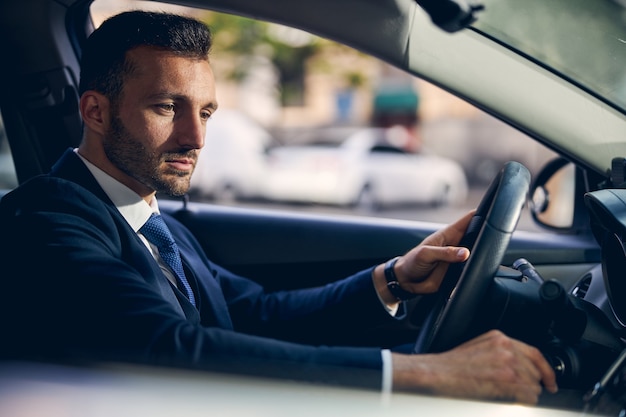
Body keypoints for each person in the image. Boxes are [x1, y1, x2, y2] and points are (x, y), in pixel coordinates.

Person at [0, 10, 557, 404]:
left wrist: (395, 279)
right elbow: (163, 347)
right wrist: (425, 376)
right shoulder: (48, 221)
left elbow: (254, 314)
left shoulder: (148, 218)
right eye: (168, 107)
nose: (195, 138)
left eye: (208, 112)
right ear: (96, 113)